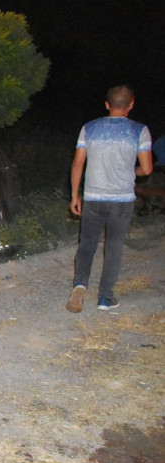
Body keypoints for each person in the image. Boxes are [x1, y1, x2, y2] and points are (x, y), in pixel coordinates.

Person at [65, 84, 153, 313]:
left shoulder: (89, 128)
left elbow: (77, 164)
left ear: (107, 104)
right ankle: (105, 298)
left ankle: (80, 285)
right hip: (122, 201)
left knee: (87, 244)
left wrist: (74, 195)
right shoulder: (139, 131)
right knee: (114, 247)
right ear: (131, 105)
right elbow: (146, 169)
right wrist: (132, 171)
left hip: (93, 198)